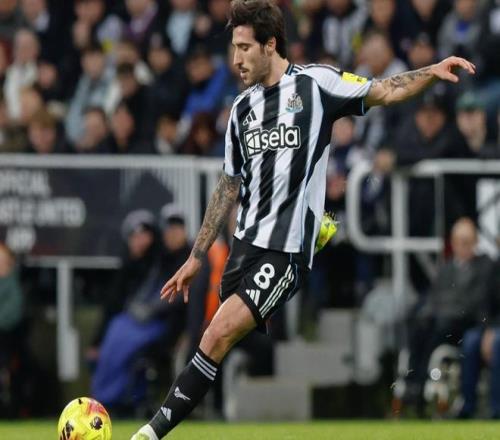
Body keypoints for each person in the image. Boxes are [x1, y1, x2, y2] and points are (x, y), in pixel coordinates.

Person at [131, 0, 475, 438]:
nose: (235, 59)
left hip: (286, 250)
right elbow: (227, 187)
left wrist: (431, 71)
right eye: (233, 48)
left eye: (244, 48)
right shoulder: (241, 110)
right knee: (215, 340)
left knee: (215, 336)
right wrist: (197, 256)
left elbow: (385, 90)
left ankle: (148, 434)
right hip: (245, 245)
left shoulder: (317, 84)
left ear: (270, 45)